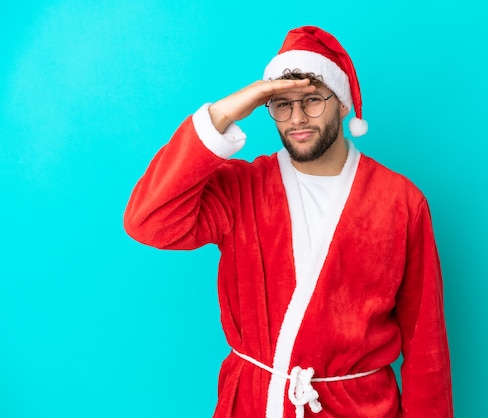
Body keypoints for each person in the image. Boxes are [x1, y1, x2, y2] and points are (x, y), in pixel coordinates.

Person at [124, 26, 453, 418]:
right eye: (281, 104)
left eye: (313, 100)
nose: (297, 119)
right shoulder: (241, 188)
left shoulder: (401, 201)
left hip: (359, 408)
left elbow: (426, 344)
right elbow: (148, 219)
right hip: (254, 404)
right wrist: (224, 113)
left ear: (342, 103)